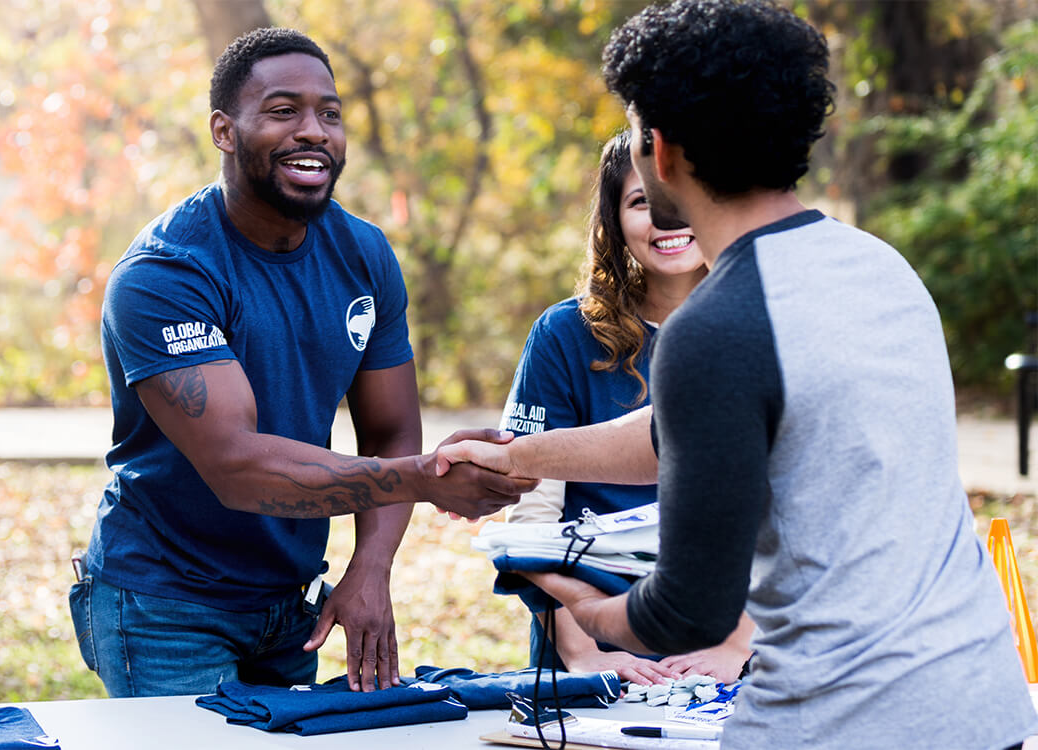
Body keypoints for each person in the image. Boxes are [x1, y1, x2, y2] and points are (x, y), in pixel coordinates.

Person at [439, 2, 1038, 748]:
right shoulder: (879, 268)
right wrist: (517, 457)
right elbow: (676, 432)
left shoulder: (717, 326)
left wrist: (589, 613)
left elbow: (689, 609)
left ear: (660, 150)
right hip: (982, 703)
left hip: (842, 723)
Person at [69, 27, 535, 700]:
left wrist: (370, 566)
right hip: (165, 602)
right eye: (284, 111)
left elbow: (389, 429)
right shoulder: (166, 273)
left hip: (290, 603)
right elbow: (236, 465)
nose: (314, 131)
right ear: (224, 131)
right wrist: (426, 479)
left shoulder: (363, 254)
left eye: (329, 113)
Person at [500, 130, 752, 685]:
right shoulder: (563, 334)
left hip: (730, 655)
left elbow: (788, 509)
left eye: (682, 197)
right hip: (594, 651)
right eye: (642, 201)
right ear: (613, 220)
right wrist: (583, 653)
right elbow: (534, 514)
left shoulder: (760, 326)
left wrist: (738, 646)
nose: (667, 218)